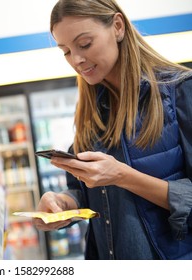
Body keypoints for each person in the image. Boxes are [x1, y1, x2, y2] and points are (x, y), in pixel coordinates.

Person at [32, 0, 192, 260]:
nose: (77, 60)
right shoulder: (91, 109)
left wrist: (122, 176)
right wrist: (63, 203)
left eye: (84, 44)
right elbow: (85, 190)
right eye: (66, 51)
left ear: (117, 27)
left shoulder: (180, 92)